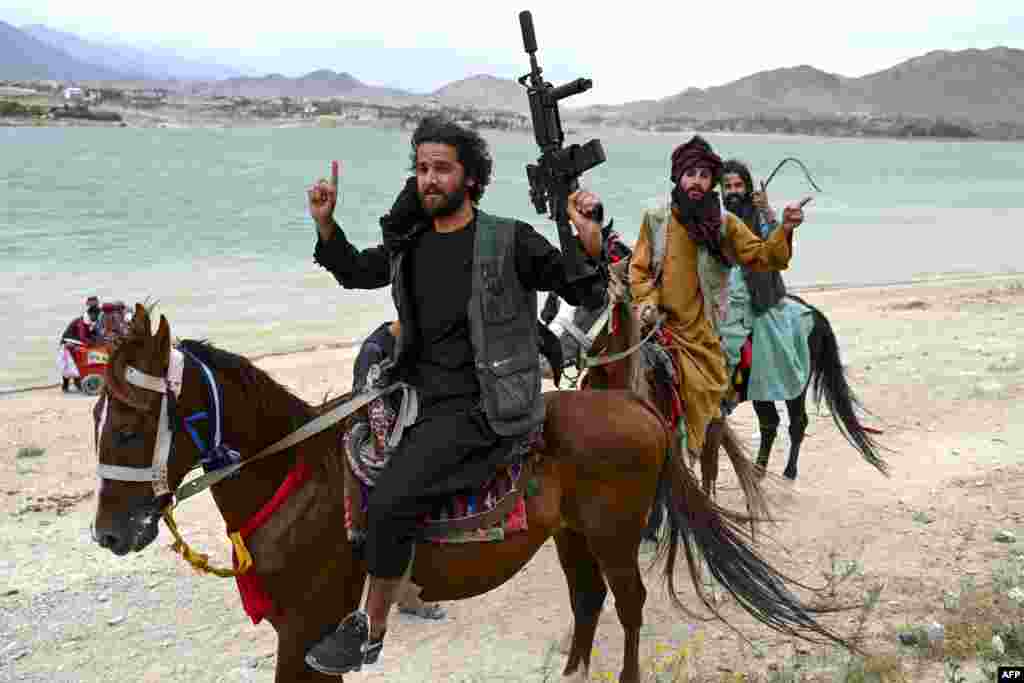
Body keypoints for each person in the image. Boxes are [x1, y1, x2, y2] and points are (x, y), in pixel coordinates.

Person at [304, 115, 607, 675]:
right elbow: (353, 271)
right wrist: (326, 224)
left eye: (442, 168)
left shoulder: (509, 239)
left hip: (480, 406)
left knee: (392, 496)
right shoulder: (411, 245)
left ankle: (369, 626)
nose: (429, 179)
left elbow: (581, 287)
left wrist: (588, 238)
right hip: (413, 393)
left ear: (470, 178)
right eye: (421, 169)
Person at [628, 135, 806, 465]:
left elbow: (765, 256)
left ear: (712, 183)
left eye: (704, 175)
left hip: (703, 340)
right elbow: (638, 270)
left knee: (703, 395)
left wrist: (785, 229)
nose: (697, 181)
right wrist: (647, 302)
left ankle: (686, 461)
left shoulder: (726, 226)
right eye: (690, 173)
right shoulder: (656, 219)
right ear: (678, 176)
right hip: (658, 328)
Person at [717, 160, 815, 478]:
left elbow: (775, 249)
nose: (733, 192)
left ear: (747, 188)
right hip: (725, 302)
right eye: (727, 186)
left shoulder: (759, 216)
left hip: (758, 303)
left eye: (738, 186)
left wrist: (773, 216)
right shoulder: (717, 220)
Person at [349, 319, 447, 621]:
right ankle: (401, 595)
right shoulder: (374, 350)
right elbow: (373, 409)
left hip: (403, 424)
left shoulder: (407, 341)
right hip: (380, 435)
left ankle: (405, 588)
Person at [57, 296, 101, 392]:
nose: (95, 317)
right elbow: (82, 337)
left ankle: (76, 384)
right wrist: (92, 342)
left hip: (77, 343)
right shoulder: (81, 322)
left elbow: (94, 333)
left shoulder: (94, 319)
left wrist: (97, 340)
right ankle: (68, 385)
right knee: (71, 365)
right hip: (69, 343)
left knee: (77, 364)